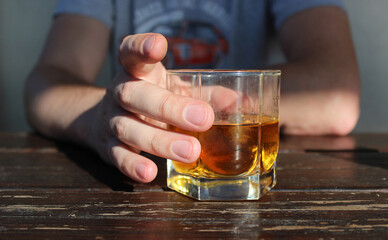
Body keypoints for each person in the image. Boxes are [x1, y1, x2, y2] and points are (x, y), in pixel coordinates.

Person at [24, 0, 360, 183]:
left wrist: (207, 97)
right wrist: (100, 115)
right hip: (160, 181)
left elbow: (336, 96)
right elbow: (44, 85)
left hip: (242, 166)